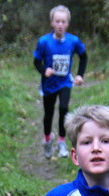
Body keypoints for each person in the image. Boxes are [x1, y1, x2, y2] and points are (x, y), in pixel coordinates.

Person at [33, 5, 87, 160]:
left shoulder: (73, 41)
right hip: (49, 84)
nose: (60, 25)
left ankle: (62, 142)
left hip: (64, 82)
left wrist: (80, 75)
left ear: (67, 23)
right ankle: (48, 140)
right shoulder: (44, 42)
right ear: (52, 23)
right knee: (48, 114)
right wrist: (44, 70)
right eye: (57, 21)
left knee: (64, 109)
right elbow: (36, 61)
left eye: (63, 22)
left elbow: (83, 57)